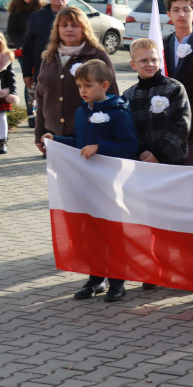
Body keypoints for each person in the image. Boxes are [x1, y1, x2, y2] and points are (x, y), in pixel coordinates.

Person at [43, 59, 137, 302]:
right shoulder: (82, 111)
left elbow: (129, 147)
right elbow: (79, 144)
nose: (82, 91)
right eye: (79, 86)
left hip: (111, 185)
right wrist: (56, 140)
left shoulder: (118, 112)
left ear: (104, 85)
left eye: (87, 85)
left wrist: (100, 146)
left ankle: (118, 281)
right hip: (86, 184)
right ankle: (96, 279)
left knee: (113, 233)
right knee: (90, 232)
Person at [34, 7, 118, 155]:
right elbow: (41, 98)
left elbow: (112, 95)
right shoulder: (49, 57)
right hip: (54, 135)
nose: (69, 29)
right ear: (57, 29)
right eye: (64, 25)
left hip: (88, 137)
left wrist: (105, 136)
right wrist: (39, 134)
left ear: (84, 28)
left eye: (75, 25)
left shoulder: (97, 55)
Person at [122, 38, 191, 165]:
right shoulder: (128, 95)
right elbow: (128, 129)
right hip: (142, 161)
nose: (150, 64)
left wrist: (159, 154)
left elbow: (182, 125)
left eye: (154, 60)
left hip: (172, 160)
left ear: (160, 60)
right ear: (133, 65)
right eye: (143, 61)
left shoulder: (174, 88)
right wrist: (141, 152)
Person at [162, 0, 193, 164]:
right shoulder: (162, 44)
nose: (181, 14)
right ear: (169, 15)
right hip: (166, 124)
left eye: (186, 9)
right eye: (176, 10)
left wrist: (187, 113)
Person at [21, 0, 69, 128]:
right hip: (44, 70)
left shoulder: (76, 17)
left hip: (69, 71)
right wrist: (27, 73)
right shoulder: (36, 17)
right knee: (46, 108)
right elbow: (28, 47)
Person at [5, 0, 44, 129]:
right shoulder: (16, 10)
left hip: (40, 52)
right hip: (24, 52)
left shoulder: (42, 9)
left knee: (41, 81)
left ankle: (42, 113)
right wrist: (21, 44)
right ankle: (31, 114)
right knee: (29, 82)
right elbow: (11, 31)